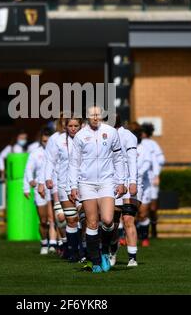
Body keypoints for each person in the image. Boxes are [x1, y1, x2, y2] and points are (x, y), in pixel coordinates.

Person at [69, 106, 126, 273]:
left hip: (107, 182)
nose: (95, 117)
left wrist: (121, 181)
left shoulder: (111, 132)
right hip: (86, 184)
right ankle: (95, 261)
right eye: (92, 115)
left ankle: (106, 250)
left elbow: (118, 158)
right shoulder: (80, 136)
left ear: (102, 116)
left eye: (98, 115)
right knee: (92, 223)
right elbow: (74, 163)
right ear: (87, 117)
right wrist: (72, 186)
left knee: (108, 220)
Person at [43, 115, 83, 262]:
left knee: (83, 219)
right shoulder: (57, 139)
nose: (73, 129)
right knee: (70, 220)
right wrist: (47, 178)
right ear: (65, 126)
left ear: (80, 126)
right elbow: (50, 160)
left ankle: (83, 250)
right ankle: (72, 251)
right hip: (63, 184)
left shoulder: (86, 138)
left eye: (76, 126)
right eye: (70, 126)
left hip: (82, 184)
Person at [111, 114, 139, 267]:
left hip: (128, 183)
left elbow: (132, 160)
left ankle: (132, 257)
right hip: (111, 184)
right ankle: (112, 253)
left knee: (128, 219)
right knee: (112, 223)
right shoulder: (104, 135)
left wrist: (133, 181)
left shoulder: (127, 136)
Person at [23, 127, 57, 254]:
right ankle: (44, 243)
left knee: (54, 217)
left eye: (48, 141)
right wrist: (28, 185)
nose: (46, 143)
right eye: (44, 141)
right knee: (43, 220)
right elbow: (28, 169)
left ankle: (54, 244)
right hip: (40, 188)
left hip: (53, 186)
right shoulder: (35, 153)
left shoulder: (57, 152)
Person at [141, 123, 165, 239]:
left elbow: (160, 160)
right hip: (142, 178)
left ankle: (154, 229)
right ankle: (142, 231)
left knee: (153, 207)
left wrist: (156, 175)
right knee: (141, 206)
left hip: (151, 178)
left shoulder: (153, 145)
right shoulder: (139, 143)